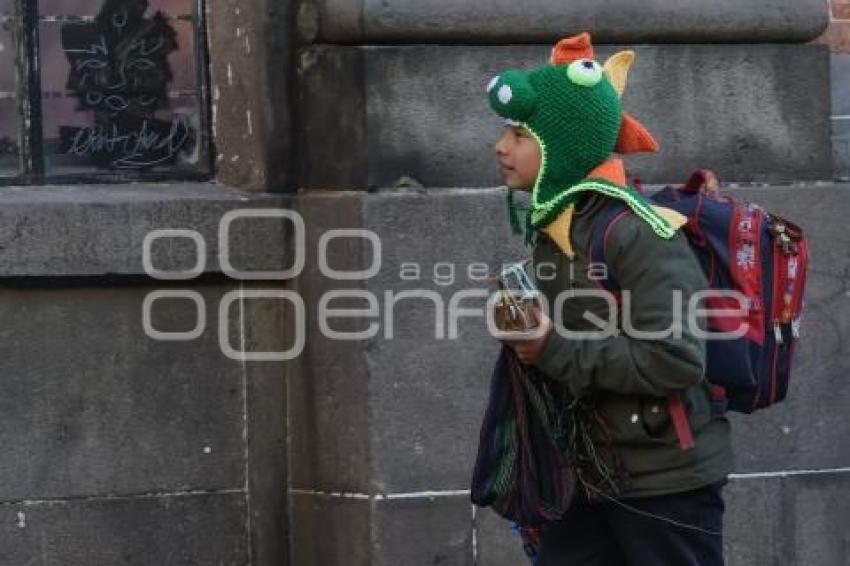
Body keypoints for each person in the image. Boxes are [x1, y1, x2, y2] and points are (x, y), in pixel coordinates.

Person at [486, 32, 734, 565]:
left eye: (520, 133)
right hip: (585, 470)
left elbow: (675, 358)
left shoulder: (635, 232)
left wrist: (550, 346)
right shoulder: (557, 227)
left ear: (562, 145)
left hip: (665, 482)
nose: (502, 147)